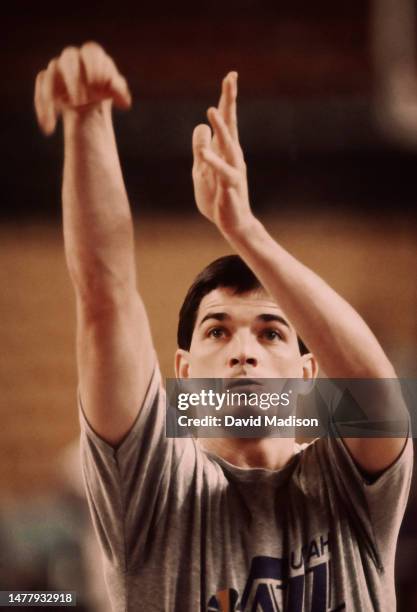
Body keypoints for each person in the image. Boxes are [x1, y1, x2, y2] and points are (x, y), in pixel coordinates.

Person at [35, 42, 412, 611]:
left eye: (271, 332)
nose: (244, 351)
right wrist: (87, 119)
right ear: (183, 373)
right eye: (217, 331)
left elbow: (375, 395)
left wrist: (244, 229)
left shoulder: (350, 486)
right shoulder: (153, 488)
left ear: (309, 376)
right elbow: (105, 300)